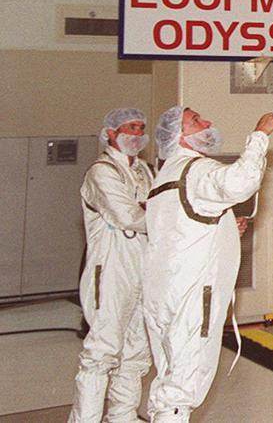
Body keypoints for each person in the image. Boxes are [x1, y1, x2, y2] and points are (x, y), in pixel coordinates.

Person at [142, 106, 273, 423]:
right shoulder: (196, 169)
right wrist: (260, 134)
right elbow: (241, 181)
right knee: (183, 385)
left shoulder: (164, 175)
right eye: (196, 121)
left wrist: (227, 226)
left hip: (162, 292)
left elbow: (183, 226)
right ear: (180, 136)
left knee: (169, 374)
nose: (208, 123)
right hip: (192, 293)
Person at [69, 108, 154, 423]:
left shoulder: (145, 170)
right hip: (111, 270)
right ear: (110, 133)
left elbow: (154, 209)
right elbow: (129, 216)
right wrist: (151, 211)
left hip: (144, 267)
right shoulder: (101, 171)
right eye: (130, 127)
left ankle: (123, 416)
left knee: (136, 352)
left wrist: (151, 209)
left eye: (141, 127)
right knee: (102, 352)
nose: (137, 134)